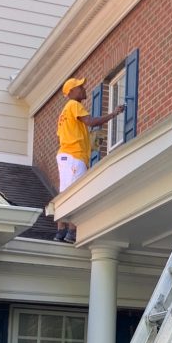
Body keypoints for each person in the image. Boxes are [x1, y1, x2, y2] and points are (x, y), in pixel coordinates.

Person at [55, 77, 123, 242]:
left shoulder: (65, 112)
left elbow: (67, 135)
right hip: (74, 156)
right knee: (76, 192)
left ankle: (61, 232)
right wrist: (114, 114)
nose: (84, 89)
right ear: (71, 92)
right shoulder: (74, 105)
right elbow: (91, 122)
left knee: (65, 193)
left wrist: (88, 141)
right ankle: (71, 233)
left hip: (67, 155)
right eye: (79, 87)